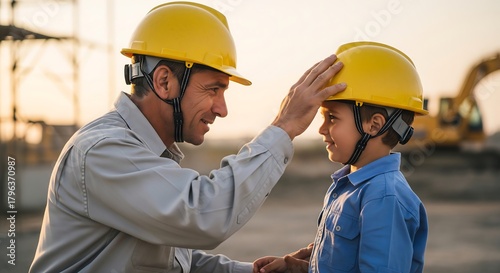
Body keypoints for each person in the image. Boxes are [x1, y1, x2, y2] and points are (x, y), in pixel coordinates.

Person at [29, 2, 346, 273]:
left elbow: (171, 260)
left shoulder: (147, 153)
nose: (222, 109)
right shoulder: (102, 151)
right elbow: (202, 216)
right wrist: (285, 125)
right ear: (164, 81)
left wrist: (254, 270)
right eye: (213, 89)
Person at [253, 41, 429, 273]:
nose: (321, 128)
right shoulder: (350, 186)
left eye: (332, 118)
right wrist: (298, 267)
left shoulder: (384, 198)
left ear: (374, 125)